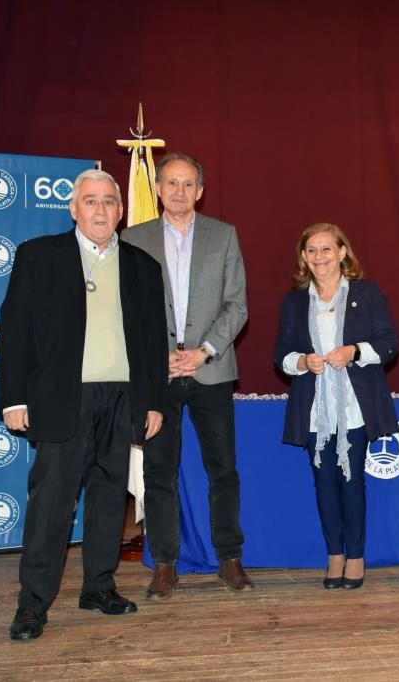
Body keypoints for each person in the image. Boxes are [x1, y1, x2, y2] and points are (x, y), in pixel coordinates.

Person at [0, 168, 168, 641]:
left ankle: (98, 587)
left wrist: (152, 402)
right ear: (73, 209)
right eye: (90, 201)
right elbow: (14, 330)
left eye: (109, 201)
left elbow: (153, 341)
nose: (100, 210)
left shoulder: (142, 266)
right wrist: (13, 397)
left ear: (120, 209)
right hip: (60, 397)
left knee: (110, 499)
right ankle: (32, 605)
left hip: (122, 396)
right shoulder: (39, 256)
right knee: (51, 504)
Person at [120, 152, 252, 596]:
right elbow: (128, 311)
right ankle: (164, 564)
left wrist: (204, 352)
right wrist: (161, 357)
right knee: (158, 471)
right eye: (171, 183)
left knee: (223, 470)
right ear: (158, 189)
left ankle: (229, 559)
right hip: (156, 375)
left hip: (211, 371)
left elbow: (237, 305)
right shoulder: (132, 238)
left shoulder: (224, 236)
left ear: (200, 190)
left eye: (188, 183)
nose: (179, 191)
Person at [274, 223, 399, 589]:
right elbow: (280, 354)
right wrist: (301, 362)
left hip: (354, 407)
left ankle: (356, 558)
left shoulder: (368, 294)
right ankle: (334, 556)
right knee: (323, 484)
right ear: (303, 257)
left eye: (326, 249)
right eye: (311, 250)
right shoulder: (294, 302)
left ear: (343, 253)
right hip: (315, 409)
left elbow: (390, 344)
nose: (319, 257)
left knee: (352, 482)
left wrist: (354, 351)